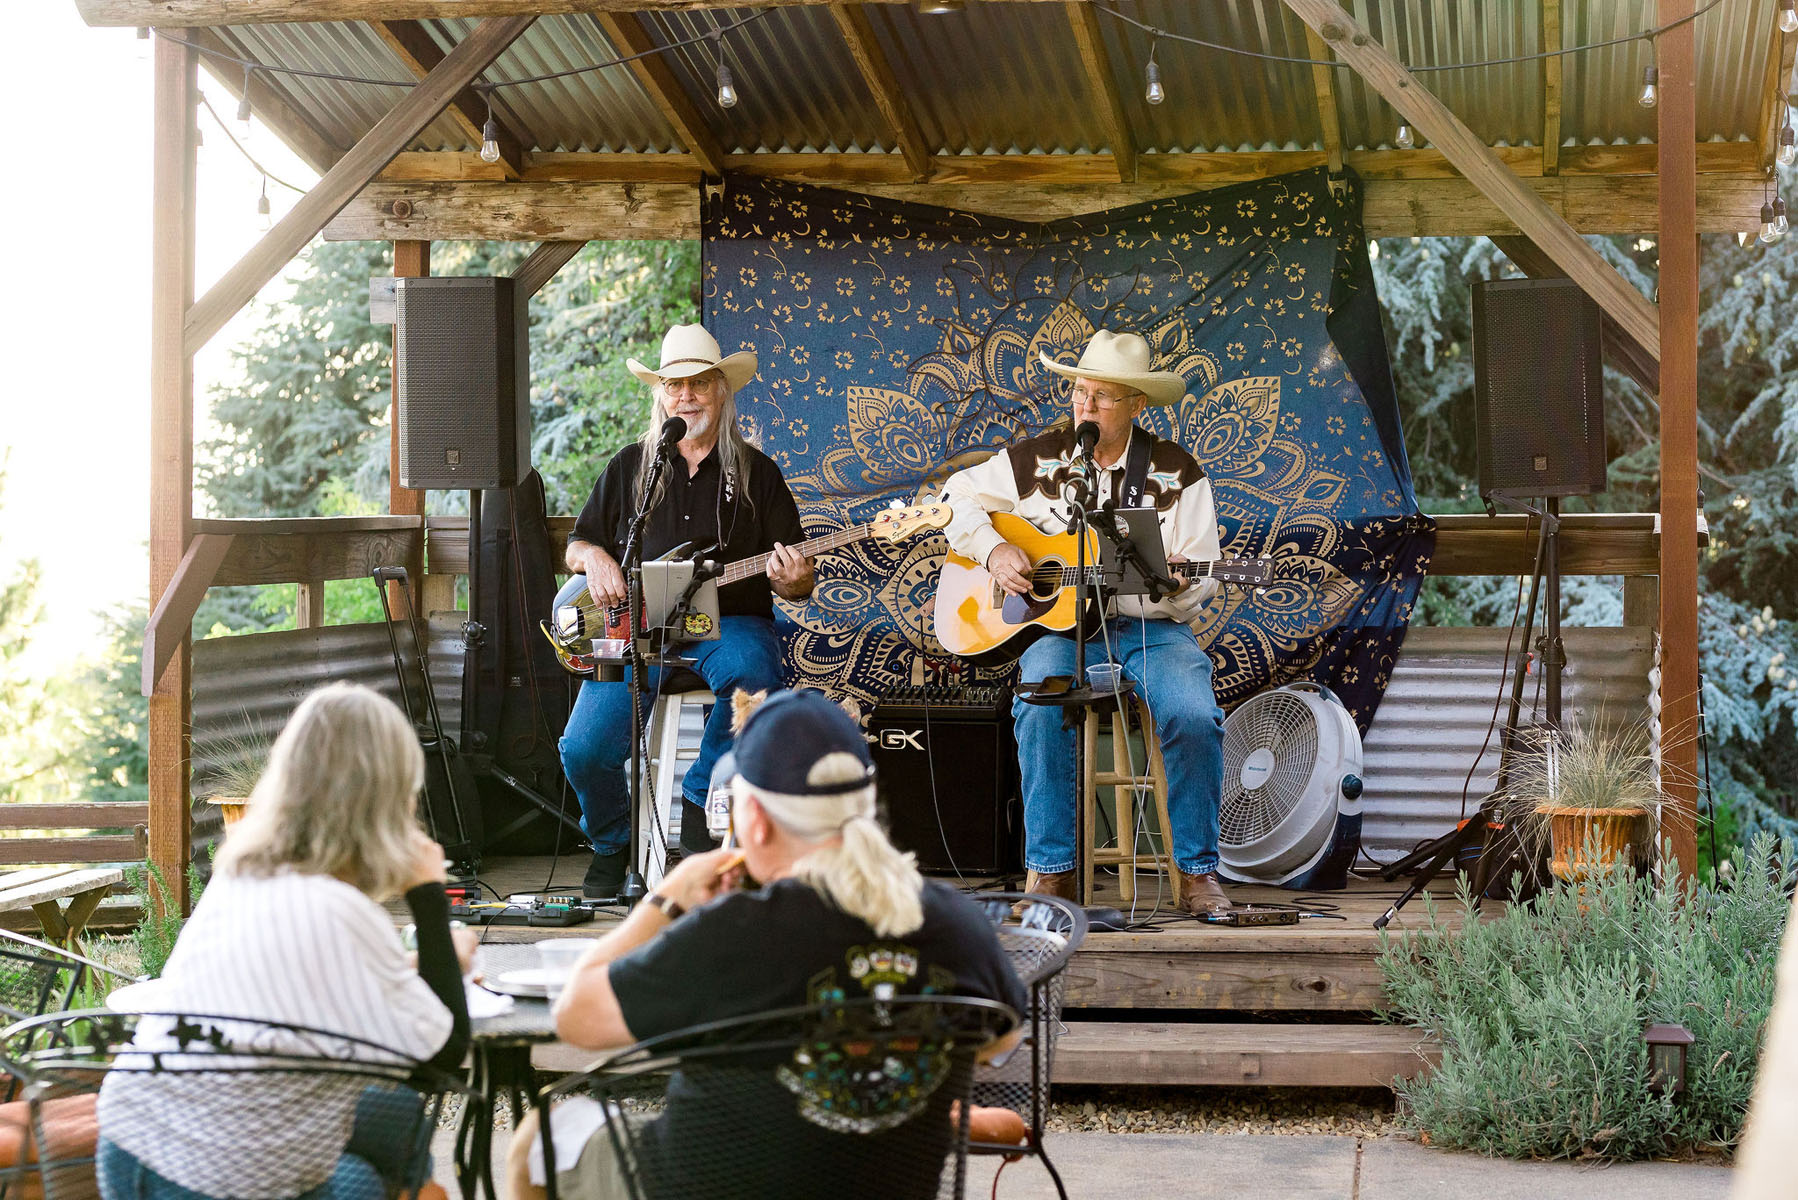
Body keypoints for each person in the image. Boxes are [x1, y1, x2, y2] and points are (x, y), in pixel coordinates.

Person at [510, 689, 1026, 1199]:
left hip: (698, 1188)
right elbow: (998, 1043)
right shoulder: (958, 921)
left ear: (752, 819)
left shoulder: (730, 931)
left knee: (542, 1136)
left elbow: (577, 1017)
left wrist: (666, 900)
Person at [96, 682, 476, 1200]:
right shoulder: (340, 910)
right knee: (372, 1167)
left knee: (379, 1147)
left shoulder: (241, 876)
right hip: (206, 1175)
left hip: (129, 1142)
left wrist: (417, 967)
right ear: (387, 800)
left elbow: (301, 989)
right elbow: (443, 1055)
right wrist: (429, 894)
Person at [940, 329, 1234, 916]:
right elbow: (956, 496)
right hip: (1058, 631)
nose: (1086, 406)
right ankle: (1052, 873)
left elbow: (1204, 576)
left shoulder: (1179, 472)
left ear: (1135, 405)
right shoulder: (1036, 459)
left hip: (1151, 629)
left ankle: (1198, 873)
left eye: (1102, 396)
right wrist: (994, 550)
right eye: (1080, 391)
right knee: (1039, 703)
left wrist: (1179, 584)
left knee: (1194, 714)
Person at [561, 324, 815, 899]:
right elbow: (576, 544)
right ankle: (611, 843)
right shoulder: (631, 467)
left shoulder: (758, 473)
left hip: (730, 625)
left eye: (700, 383)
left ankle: (700, 801)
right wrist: (596, 558)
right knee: (583, 749)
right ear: (661, 395)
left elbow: (797, 584)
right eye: (675, 386)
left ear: (722, 391)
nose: (687, 397)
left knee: (756, 678)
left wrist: (796, 579)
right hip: (639, 630)